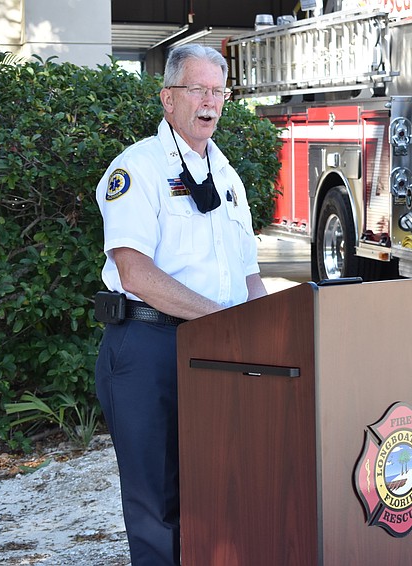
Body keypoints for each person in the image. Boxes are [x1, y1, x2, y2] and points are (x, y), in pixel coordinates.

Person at [94, 44, 267, 565]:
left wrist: (273, 333)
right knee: (157, 506)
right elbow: (136, 273)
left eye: (219, 91)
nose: (210, 102)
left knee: (216, 494)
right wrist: (221, 319)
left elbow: (249, 277)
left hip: (215, 351)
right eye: (199, 90)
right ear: (169, 98)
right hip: (147, 349)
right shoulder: (137, 169)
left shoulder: (229, 178)